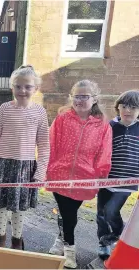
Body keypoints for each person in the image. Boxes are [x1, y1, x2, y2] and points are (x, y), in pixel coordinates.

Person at [46, 80, 112, 269]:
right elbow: (51, 143)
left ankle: (60, 241)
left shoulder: (102, 125)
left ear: (94, 99)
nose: (80, 100)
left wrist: (100, 174)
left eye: (85, 96)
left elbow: (104, 152)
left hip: (85, 178)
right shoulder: (63, 118)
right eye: (76, 96)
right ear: (71, 98)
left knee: (69, 214)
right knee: (67, 214)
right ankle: (69, 251)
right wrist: (47, 167)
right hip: (59, 174)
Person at [0, 65, 50, 250]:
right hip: (3, 166)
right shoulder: (4, 109)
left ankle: (17, 241)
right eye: (18, 86)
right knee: (2, 206)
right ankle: (0, 238)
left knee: (19, 208)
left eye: (28, 86)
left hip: (25, 168)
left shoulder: (40, 112)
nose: (22, 90)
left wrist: (40, 173)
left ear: (35, 88)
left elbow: (44, 145)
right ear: (12, 87)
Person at [97, 89, 139, 259]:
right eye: (124, 106)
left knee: (111, 210)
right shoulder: (110, 127)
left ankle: (116, 235)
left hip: (126, 182)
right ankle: (103, 243)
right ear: (118, 108)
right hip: (106, 179)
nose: (128, 110)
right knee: (101, 213)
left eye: (133, 107)